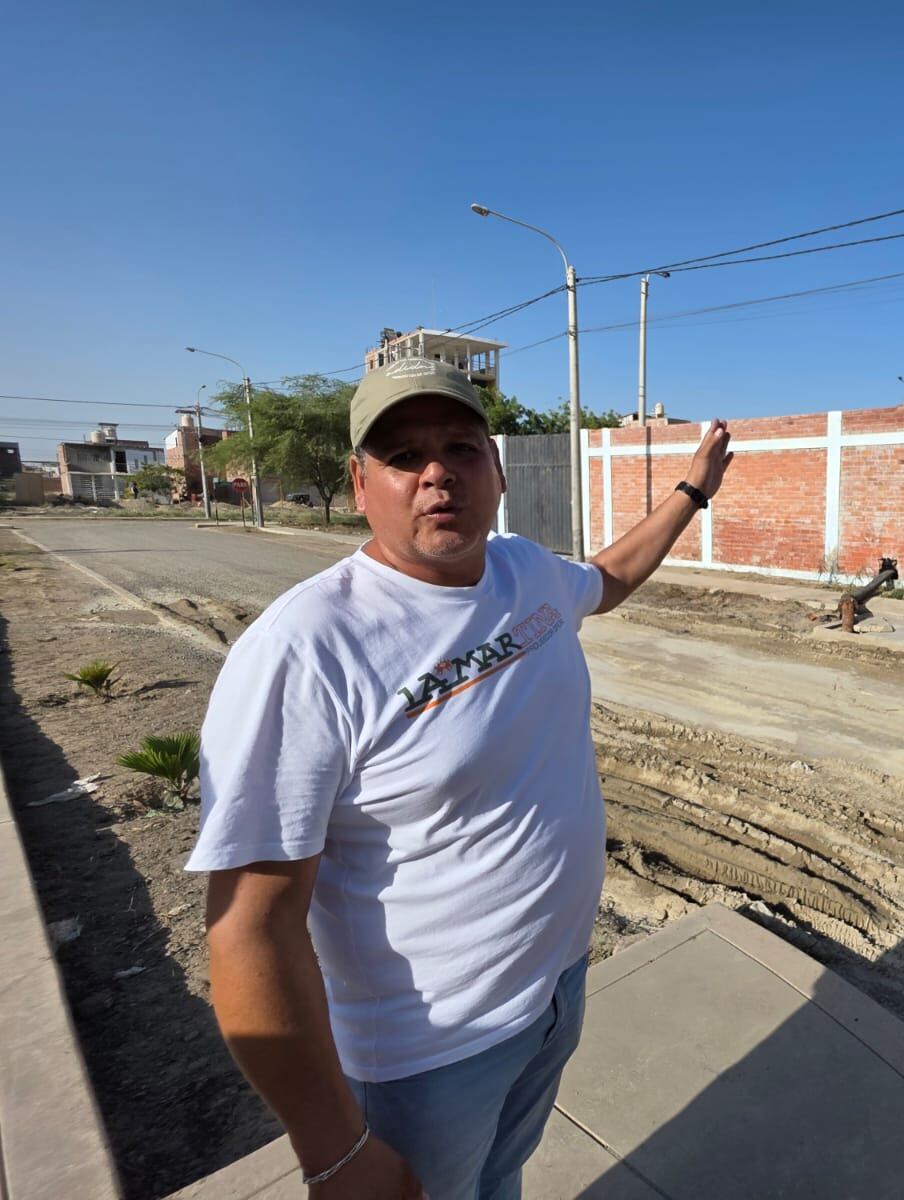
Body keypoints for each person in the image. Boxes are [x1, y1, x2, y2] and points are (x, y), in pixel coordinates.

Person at [188, 357, 733, 1199]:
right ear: (361, 485)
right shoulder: (305, 650)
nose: (437, 471)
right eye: (404, 455)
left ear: (497, 471)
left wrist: (692, 493)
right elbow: (249, 929)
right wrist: (333, 1152)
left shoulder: (527, 574)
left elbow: (612, 577)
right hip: (424, 1059)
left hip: (554, 993)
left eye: (459, 447)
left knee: (500, 1180)